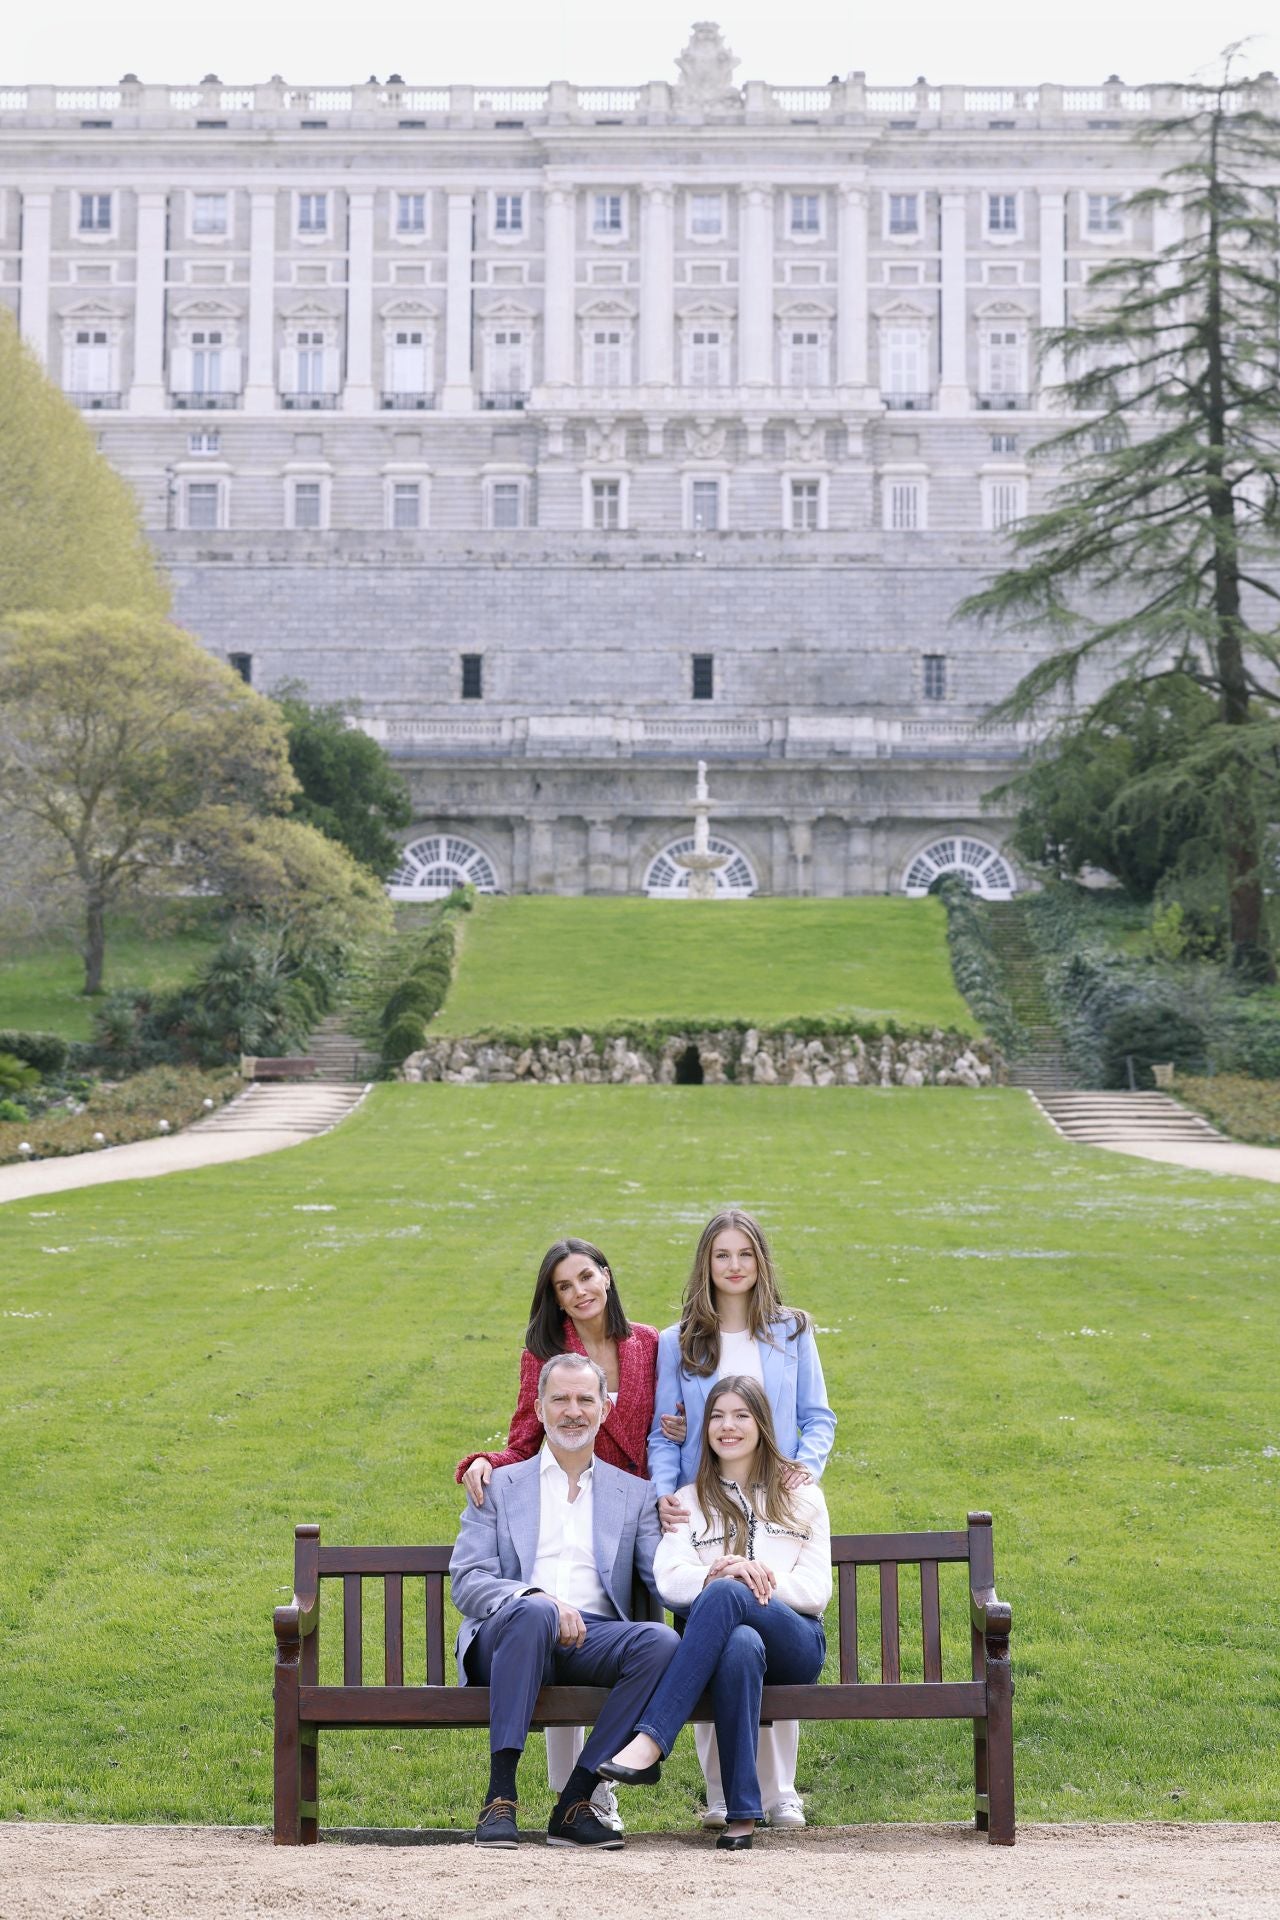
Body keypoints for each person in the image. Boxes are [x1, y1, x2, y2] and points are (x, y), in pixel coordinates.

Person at [455, 1236, 681, 1830]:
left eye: (585, 1399)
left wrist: (713, 1574)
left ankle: (576, 1799)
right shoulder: (500, 1486)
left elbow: (661, 1574)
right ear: (540, 1408)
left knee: (659, 1643)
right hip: (510, 1635)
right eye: (560, 1400)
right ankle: (500, 1798)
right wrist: (535, 1598)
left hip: (592, 1639)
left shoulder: (632, 1495)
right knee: (533, 1613)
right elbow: (468, 1581)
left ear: (605, 1408)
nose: (573, 1410)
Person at [646, 1207, 835, 1829]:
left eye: (744, 1254)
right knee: (729, 1633)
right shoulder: (679, 1341)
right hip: (707, 1503)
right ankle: (725, 1795)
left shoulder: (790, 1331)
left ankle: (777, 1791)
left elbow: (817, 1416)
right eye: (721, 1255)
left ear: (761, 1261)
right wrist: (669, 1496)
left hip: (775, 1499)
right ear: (705, 1263)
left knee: (747, 1610)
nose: (733, 1266)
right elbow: (665, 1432)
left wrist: (803, 1470)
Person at [599, 1375, 831, 1851]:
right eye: (718, 1416)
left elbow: (815, 1592)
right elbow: (668, 1578)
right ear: (704, 1429)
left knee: (730, 1589)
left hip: (795, 1642)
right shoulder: (689, 1502)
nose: (728, 1426)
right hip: (725, 1649)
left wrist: (751, 1577)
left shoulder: (801, 1496)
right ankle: (741, 1815)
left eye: (741, 1415)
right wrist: (714, 1575)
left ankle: (652, 1740)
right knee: (738, 1643)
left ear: (761, 1424)